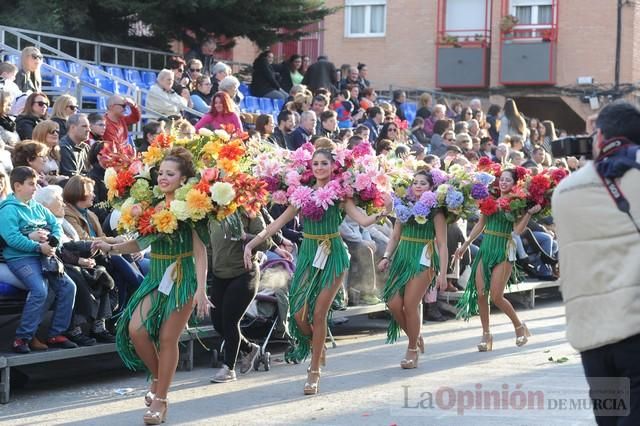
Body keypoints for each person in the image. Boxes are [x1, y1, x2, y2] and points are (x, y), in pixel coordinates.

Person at [243, 149, 392, 395]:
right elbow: (275, 225)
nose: (321, 167)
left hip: (333, 254)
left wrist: (385, 209)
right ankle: (317, 345)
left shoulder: (342, 196)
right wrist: (251, 243)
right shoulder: (301, 195)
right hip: (309, 254)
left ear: (334, 167)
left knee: (319, 314)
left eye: (325, 163)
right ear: (310, 167)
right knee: (300, 314)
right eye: (316, 163)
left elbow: (364, 221)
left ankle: (314, 372)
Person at [92, 147, 211, 424]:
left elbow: (201, 251)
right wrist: (112, 247)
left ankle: (161, 400)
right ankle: (158, 379)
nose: (163, 178)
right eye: (161, 173)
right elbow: (141, 243)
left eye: (170, 174)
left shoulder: (194, 208)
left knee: (168, 338)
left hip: (182, 278)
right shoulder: (151, 206)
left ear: (183, 180)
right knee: (137, 330)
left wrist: (201, 290)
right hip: (156, 277)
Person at [552, 101, 640, 425]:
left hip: (592, 336)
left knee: (610, 419)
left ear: (599, 137)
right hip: (635, 327)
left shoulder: (564, 192)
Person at [455, 168, 541, 351]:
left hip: (503, 249)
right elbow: (480, 224)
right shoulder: (489, 200)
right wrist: (465, 244)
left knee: (496, 296)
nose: (503, 183)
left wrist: (528, 213)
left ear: (514, 183)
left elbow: (517, 231)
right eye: (501, 179)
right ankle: (486, 335)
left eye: (508, 180)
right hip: (486, 250)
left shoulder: (517, 203)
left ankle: (519, 327)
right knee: (480, 294)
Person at [0, 166, 77, 353]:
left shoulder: (37, 207)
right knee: (40, 290)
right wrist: (36, 246)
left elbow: (56, 225)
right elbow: (12, 239)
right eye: (31, 184)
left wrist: (54, 242)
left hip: (44, 256)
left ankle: (55, 334)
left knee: (68, 287)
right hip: (21, 259)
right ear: (17, 186)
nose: (35, 188)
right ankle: (22, 338)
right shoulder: (8, 210)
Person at [378, 170, 448, 368]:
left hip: (423, 258)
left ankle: (412, 350)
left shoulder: (437, 211)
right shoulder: (403, 206)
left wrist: (443, 273)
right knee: (392, 302)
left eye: (423, 183)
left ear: (431, 187)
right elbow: (394, 236)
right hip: (402, 256)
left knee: (410, 305)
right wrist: (386, 256)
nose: (418, 186)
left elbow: (442, 244)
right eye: (415, 182)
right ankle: (415, 336)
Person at [209, 210, 280, 383]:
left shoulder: (248, 209)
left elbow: (266, 242)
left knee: (229, 321)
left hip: (244, 273)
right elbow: (207, 246)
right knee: (218, 323)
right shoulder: (208, 210)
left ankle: (228, 368)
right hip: (219, 275)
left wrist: (244, 236)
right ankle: (249, 349)